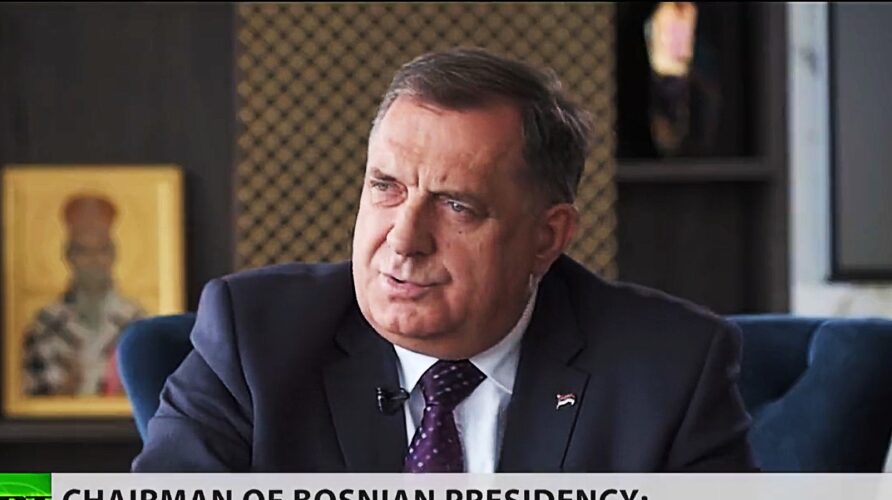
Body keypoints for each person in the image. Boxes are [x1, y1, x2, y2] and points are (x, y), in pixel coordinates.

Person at [133, 48, 756, 472]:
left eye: (457, 206)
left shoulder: (670, 369)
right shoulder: (253, 336)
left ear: (548, 236)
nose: (404, 240)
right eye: (386, 187)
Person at [23, 195, 144, 396]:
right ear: (69, 256)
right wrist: (67, 388)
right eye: (83, 252)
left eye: (102, 251)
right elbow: (33, 391)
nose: (94, 261)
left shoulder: (135, 319)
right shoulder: (46, 323)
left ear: (113, 255)